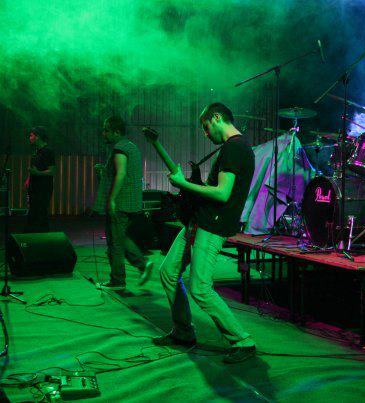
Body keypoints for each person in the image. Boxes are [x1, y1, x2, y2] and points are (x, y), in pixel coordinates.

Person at [155, 102, 256, 364]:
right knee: (168, 272)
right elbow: (214, 190)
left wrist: (184, 184)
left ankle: (242, 340)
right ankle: (183, 332)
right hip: (199, 221)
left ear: (217, 117)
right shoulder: (231, 148)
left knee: (200, 288)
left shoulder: (235, 148)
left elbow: (222, 194)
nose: (205, 133)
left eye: (206, 126)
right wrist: (194, 182)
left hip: (212, 225)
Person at [93, 116, 153, 290]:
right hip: (130, 202)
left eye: (106, 130)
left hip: (120, 203)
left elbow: (121, 174)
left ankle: (118, 280)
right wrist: (104, 171)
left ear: (117, 132)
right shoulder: (131, 146)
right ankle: (142, 264)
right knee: (119, 238)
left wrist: (112, 199)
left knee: (115, 243)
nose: (103, 133)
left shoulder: (119, 148)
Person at [24, 126, 55, 233]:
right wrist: (29, 178)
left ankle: (42, 236)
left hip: (43, 188)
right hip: (34, 187)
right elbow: (35, 169)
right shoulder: (37, 151)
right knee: (33, 213)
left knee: (41, 213)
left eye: (31, 135)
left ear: (38, 137)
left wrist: (37, 173)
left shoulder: (48, 151)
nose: (30, 138)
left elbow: (52, 171)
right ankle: (34, 235)